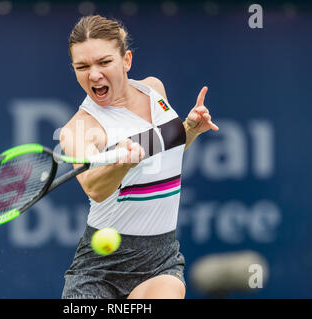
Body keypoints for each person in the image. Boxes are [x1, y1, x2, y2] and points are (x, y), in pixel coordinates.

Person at [59, 15, 219, 299]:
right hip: (99, 271)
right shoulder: (79, 129)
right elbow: (94, 188)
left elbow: (164, 157)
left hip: (162, 260)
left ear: (126, 60)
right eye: (82, 67)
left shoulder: (154, 89)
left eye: (104, 62)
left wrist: (189, 130)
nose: (93, 75)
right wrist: (123, 164)